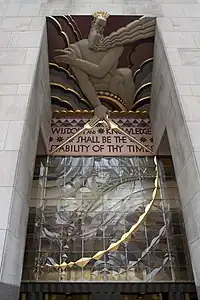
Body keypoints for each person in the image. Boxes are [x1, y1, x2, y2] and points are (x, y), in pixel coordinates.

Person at [55, 14, 135, 118]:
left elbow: (100, 71)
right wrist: (97, 105)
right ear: (92, 24)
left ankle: (129, 114)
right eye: (98, 25)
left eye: (103, 27)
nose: (100, 30)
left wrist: (75, 61)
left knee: (125, 73)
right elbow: (84, 80)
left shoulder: (115, 46)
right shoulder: (76, 48)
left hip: (115, 90)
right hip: (89, 96)